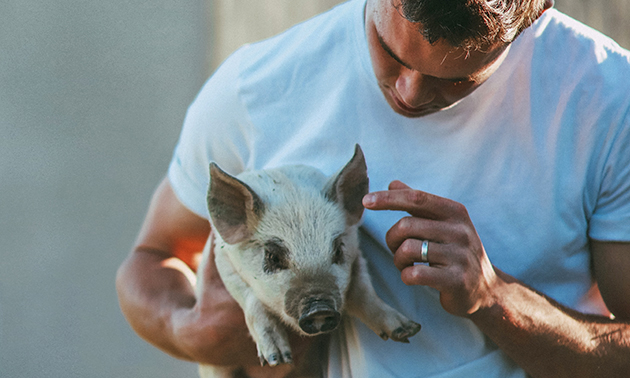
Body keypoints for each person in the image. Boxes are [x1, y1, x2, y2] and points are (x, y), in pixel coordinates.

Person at [116, 0, 630, 376]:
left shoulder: (607, 102)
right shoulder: (255, 86)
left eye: (454, 80)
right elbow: (151, 256)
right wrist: (198, 332)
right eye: (389, 52)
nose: (407, 94)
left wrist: (495, 299)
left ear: (535, 13)